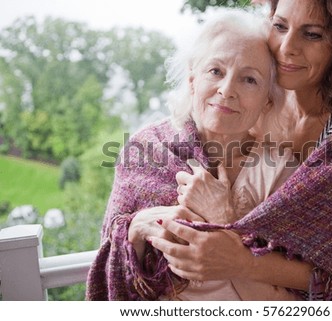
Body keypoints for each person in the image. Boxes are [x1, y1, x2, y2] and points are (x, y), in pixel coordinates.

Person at [149, 0, 332, 300]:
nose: (286, 47)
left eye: (312, 35)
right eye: (280, 26)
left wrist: (239, 251)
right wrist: (139, 223)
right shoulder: (256, 105)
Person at [86, 10, 306, 300]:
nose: (227, 90)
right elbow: (111, 272)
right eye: (215, 71)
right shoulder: (146, 151)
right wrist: (134, 231)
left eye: (249, 79)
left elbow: (305, 291)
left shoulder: (285, 171)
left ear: (268, 98)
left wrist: (227, 218)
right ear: (192, 80)